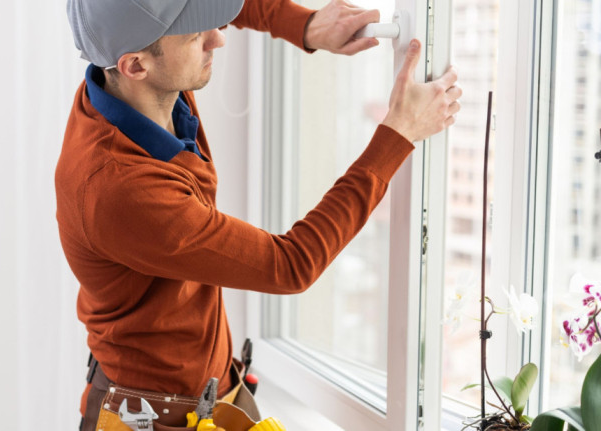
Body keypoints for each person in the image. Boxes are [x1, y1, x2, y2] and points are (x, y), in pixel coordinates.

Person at [57, 0, 461, 429]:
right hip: (155, 419)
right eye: (197, 37)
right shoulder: (121, 188)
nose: (219, 37)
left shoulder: (133, 91)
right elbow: (290, 265)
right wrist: (396, 135)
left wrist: (303, 25)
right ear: (136, 65)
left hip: (209, 395)